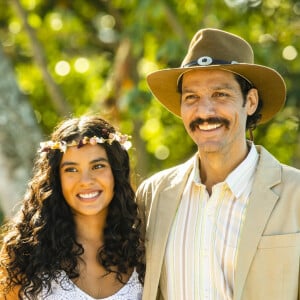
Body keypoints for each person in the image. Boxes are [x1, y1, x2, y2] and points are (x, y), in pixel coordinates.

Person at [136, 28, 300, 300]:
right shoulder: (152, 196)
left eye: (220, 95)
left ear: (250, 101)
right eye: (192, 98)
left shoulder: (295, 194)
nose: (205, 111)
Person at [0, 115, 145, 299]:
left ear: (116, 172)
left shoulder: (142, 249)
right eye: (71, 169)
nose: (85, 181)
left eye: (98, 166)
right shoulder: (25, 254)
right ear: (56, 179)